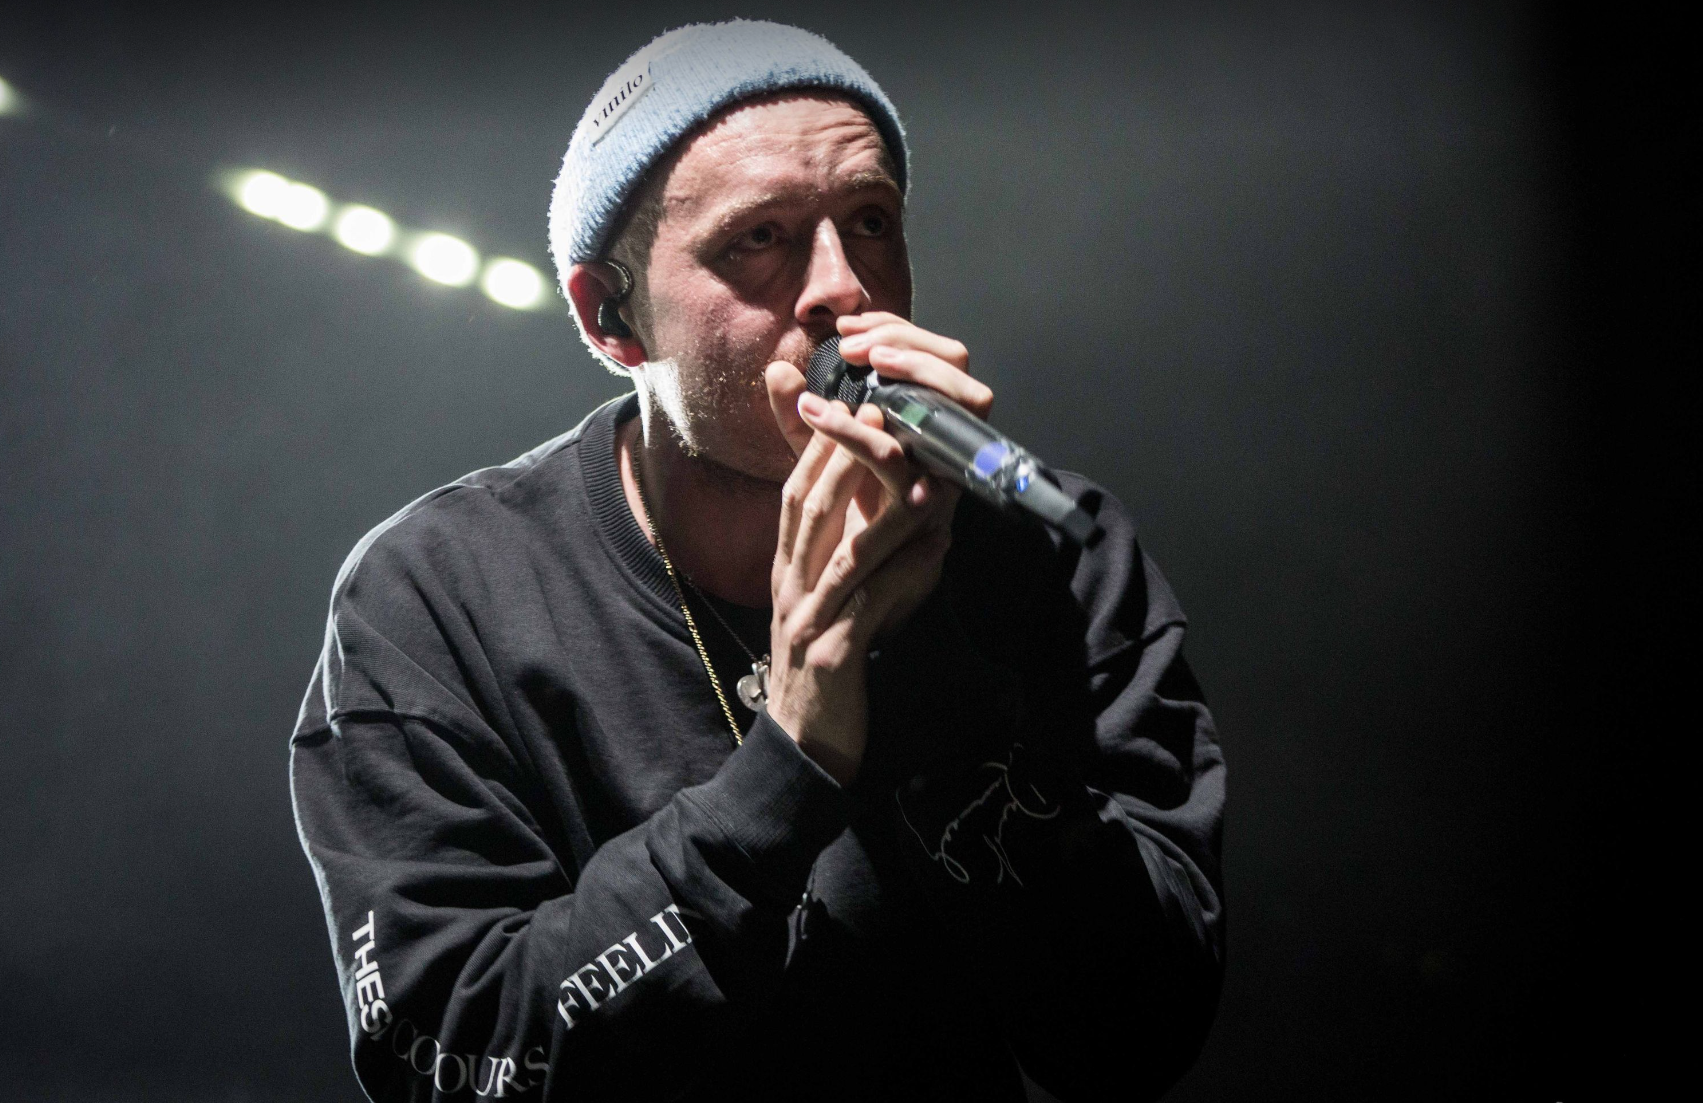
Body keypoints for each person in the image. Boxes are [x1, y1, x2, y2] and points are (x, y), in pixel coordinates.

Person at [290, 19, 1223, 1102]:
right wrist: (790, 765)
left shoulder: (1051, 550)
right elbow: (456, 1058)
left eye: (870, 221)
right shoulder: (436, 596)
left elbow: (1141, 1032)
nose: (843, 286)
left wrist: (931, 671)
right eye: (759, 239)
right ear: (611, 316)